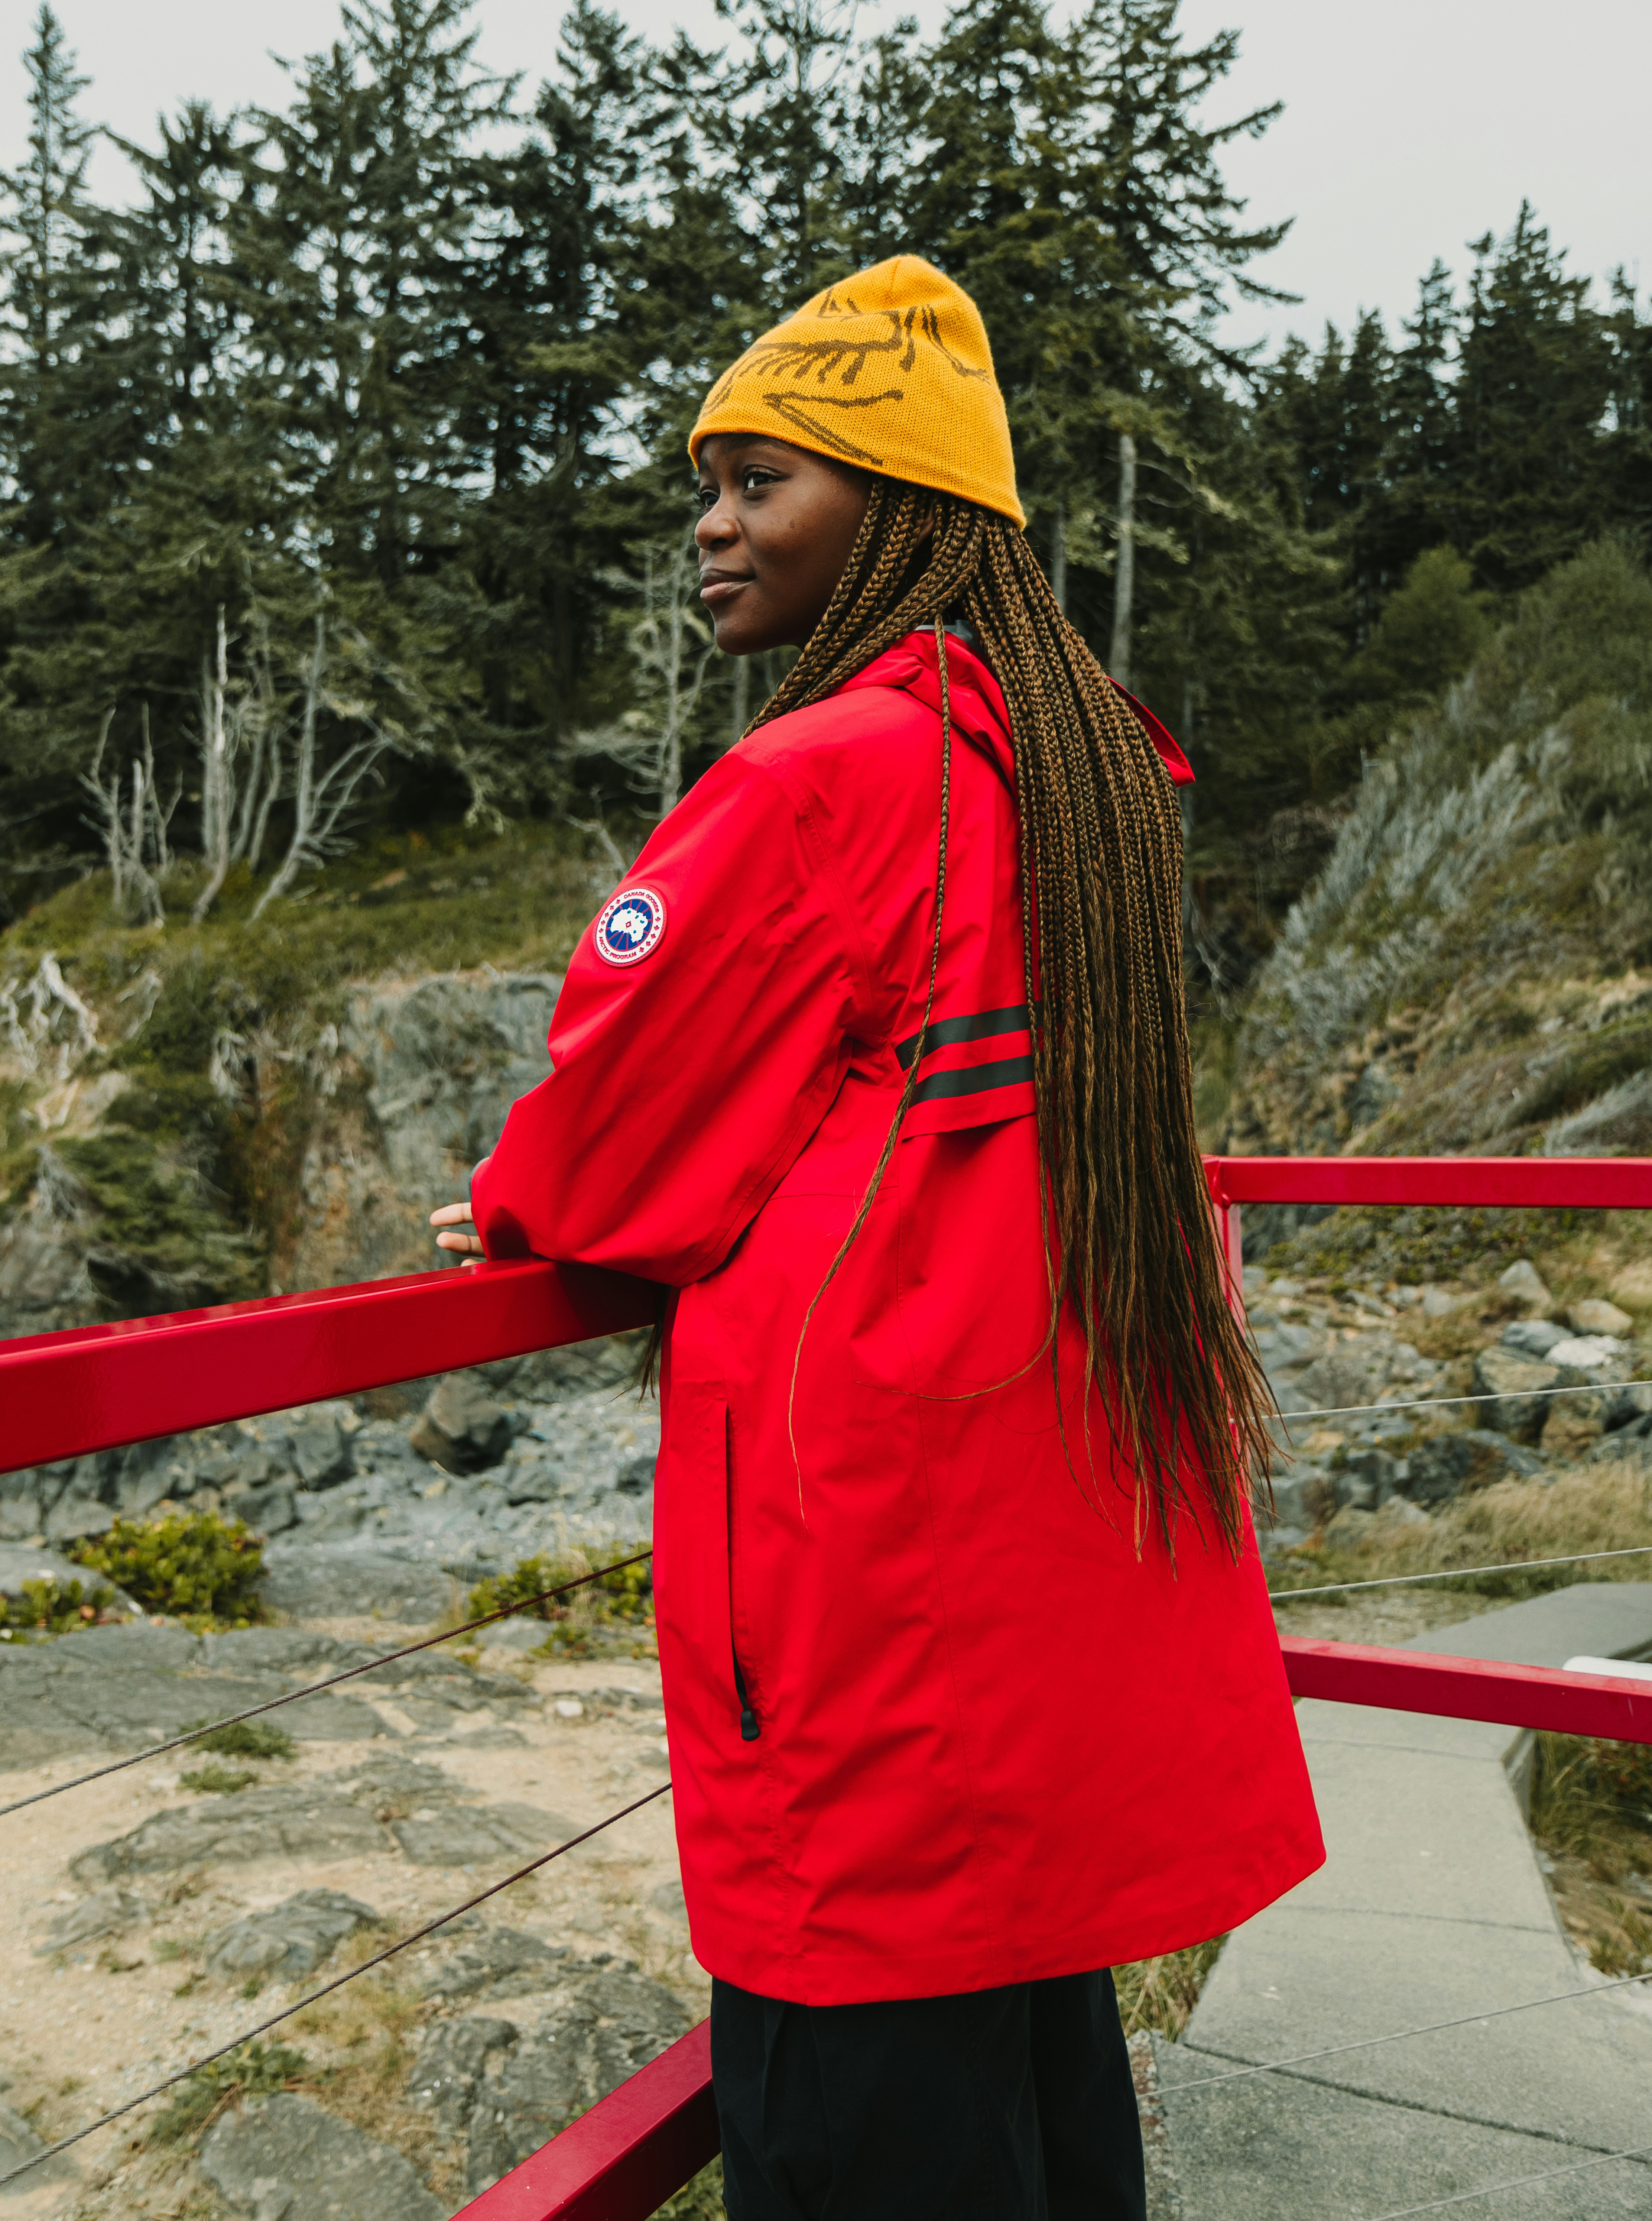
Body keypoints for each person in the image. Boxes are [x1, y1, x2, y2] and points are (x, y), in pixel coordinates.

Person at [431, 255, 1323, 2221]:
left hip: (868, 1634)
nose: (712, 522)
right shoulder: (1075, 767)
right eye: (708, 481)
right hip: (1028, 1618)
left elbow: (615, 1140)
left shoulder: (820, 779)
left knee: (861, 2134)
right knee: (1032, 2113)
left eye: (763, 478)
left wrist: (509, 1205)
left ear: (901, 505)